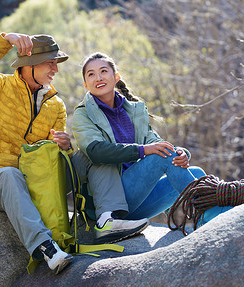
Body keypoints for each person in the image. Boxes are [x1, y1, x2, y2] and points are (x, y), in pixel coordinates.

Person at [0, 32, 74, 274]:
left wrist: (66, 146)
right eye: (50, 62)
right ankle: (46, 247)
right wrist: (6, 40)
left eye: (56, 63)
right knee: (9, 175)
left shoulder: (56, 105)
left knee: (87, 159)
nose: (55, 69)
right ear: (29, 64)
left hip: (36, 184)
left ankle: (104, 222)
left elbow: (51, 158)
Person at [71, 52, 207, 233]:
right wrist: (143, 151)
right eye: (91, 74)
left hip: (136, 200)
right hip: (108, 203)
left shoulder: (133, 110)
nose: (98, 78)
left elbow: (156, 143)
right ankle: (213, 214)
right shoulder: (83, 113)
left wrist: (181, 153)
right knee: (161, 157)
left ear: (116, 77)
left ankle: (207, 222)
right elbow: (96, 151)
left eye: (104, 71)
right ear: (85, 84)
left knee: (196, 173)